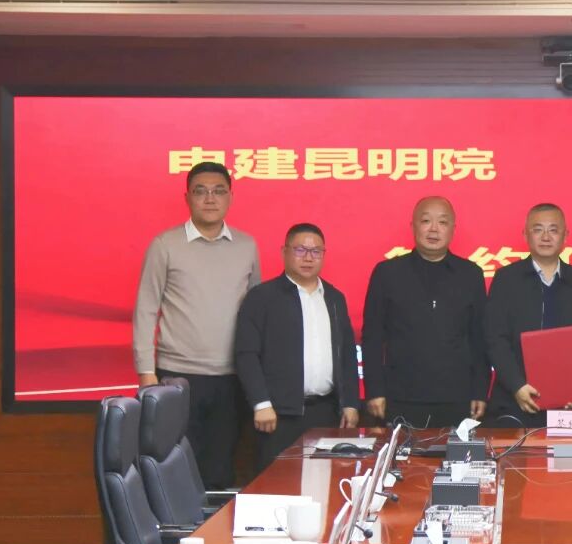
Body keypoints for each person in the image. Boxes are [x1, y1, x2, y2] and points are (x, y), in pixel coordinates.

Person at [133, 161, 260, 489]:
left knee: (220, 470)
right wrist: (146, 372)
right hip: (177, 375)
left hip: (231, 378)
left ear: (230, 197)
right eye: (200, 191)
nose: (210, 198)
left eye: (219, 191)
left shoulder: (246, 246)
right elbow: (146, 309)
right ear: (187, 197)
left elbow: (256, 314)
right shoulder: (165, 245)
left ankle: (215, 525)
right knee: (175, 468)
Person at [234, 224, 361, 469]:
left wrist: (350, 403)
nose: (308, 258)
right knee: (278, 483)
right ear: (285, 252)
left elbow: (346, 354)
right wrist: (261, 403)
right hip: (277, 415)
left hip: (326, 412)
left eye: (316, 251)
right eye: (300, 250)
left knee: (323, 482)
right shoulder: (262, 297)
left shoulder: (334, 298)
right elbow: (246, 354)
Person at [361, 196, 488, 429]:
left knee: (456, 454)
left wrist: (480, 390)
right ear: (413, 226)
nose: (434, 229)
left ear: (453, 229)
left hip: (457, 397)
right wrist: (374, 390)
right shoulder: (388, 273)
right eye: (426, 221)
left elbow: (479, 338)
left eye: (442, 222)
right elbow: (373, 336)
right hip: (401, 395)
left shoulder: (470, 274)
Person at [484, 203, 572, 426]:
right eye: (538, 229)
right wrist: (517, 386)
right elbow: (495, 339)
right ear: (525, 235)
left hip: (571, 405)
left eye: (553, 230)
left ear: (565, 236)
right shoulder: (506, 279)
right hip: (514, 401)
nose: (546, 237)